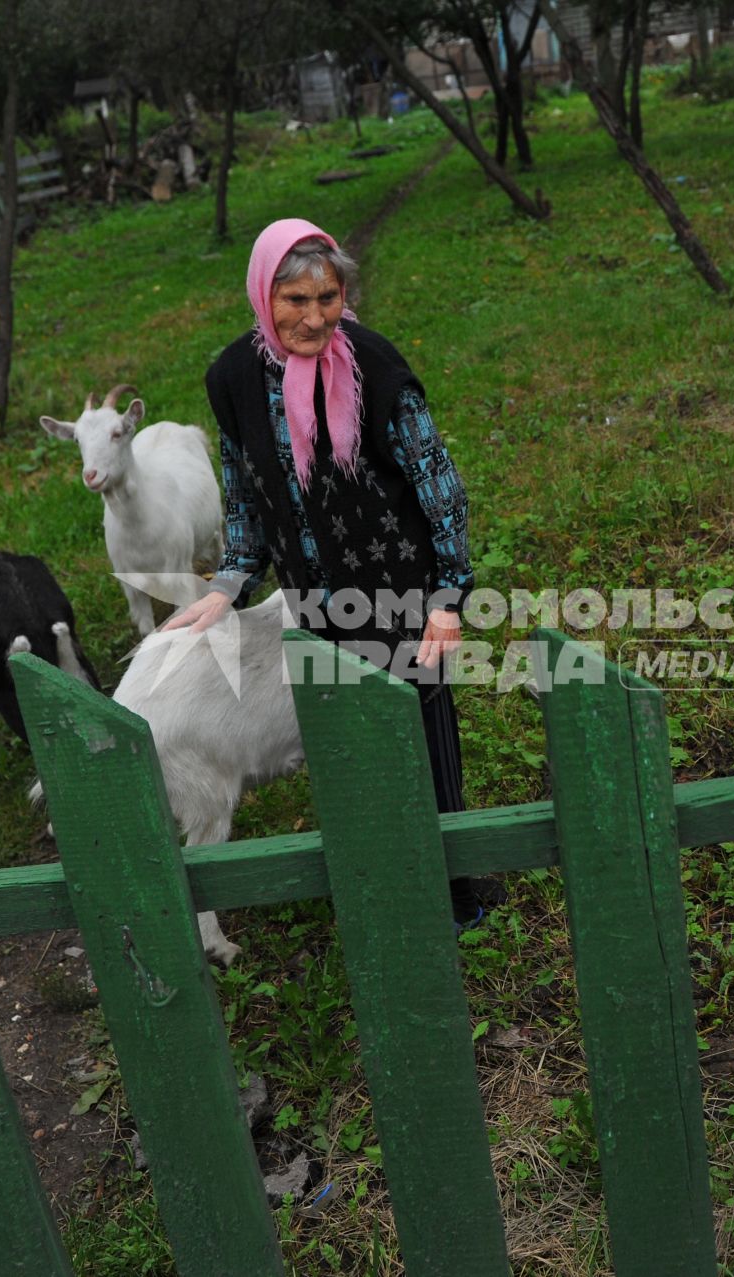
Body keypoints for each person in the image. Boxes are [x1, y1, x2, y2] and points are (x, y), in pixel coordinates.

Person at [163, 217, 495, 925]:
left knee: (422, 737)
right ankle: (382, 881)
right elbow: (245, 493)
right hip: (313, 606)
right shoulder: (232, 379)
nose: (314, 317)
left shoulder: (375, 366)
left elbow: (439, 486)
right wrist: (227, 585)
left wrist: (447, 598)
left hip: (401, 592)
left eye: (328, 297)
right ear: (263, 296)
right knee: (345, 742)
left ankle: (455, 893)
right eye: (295, 300)